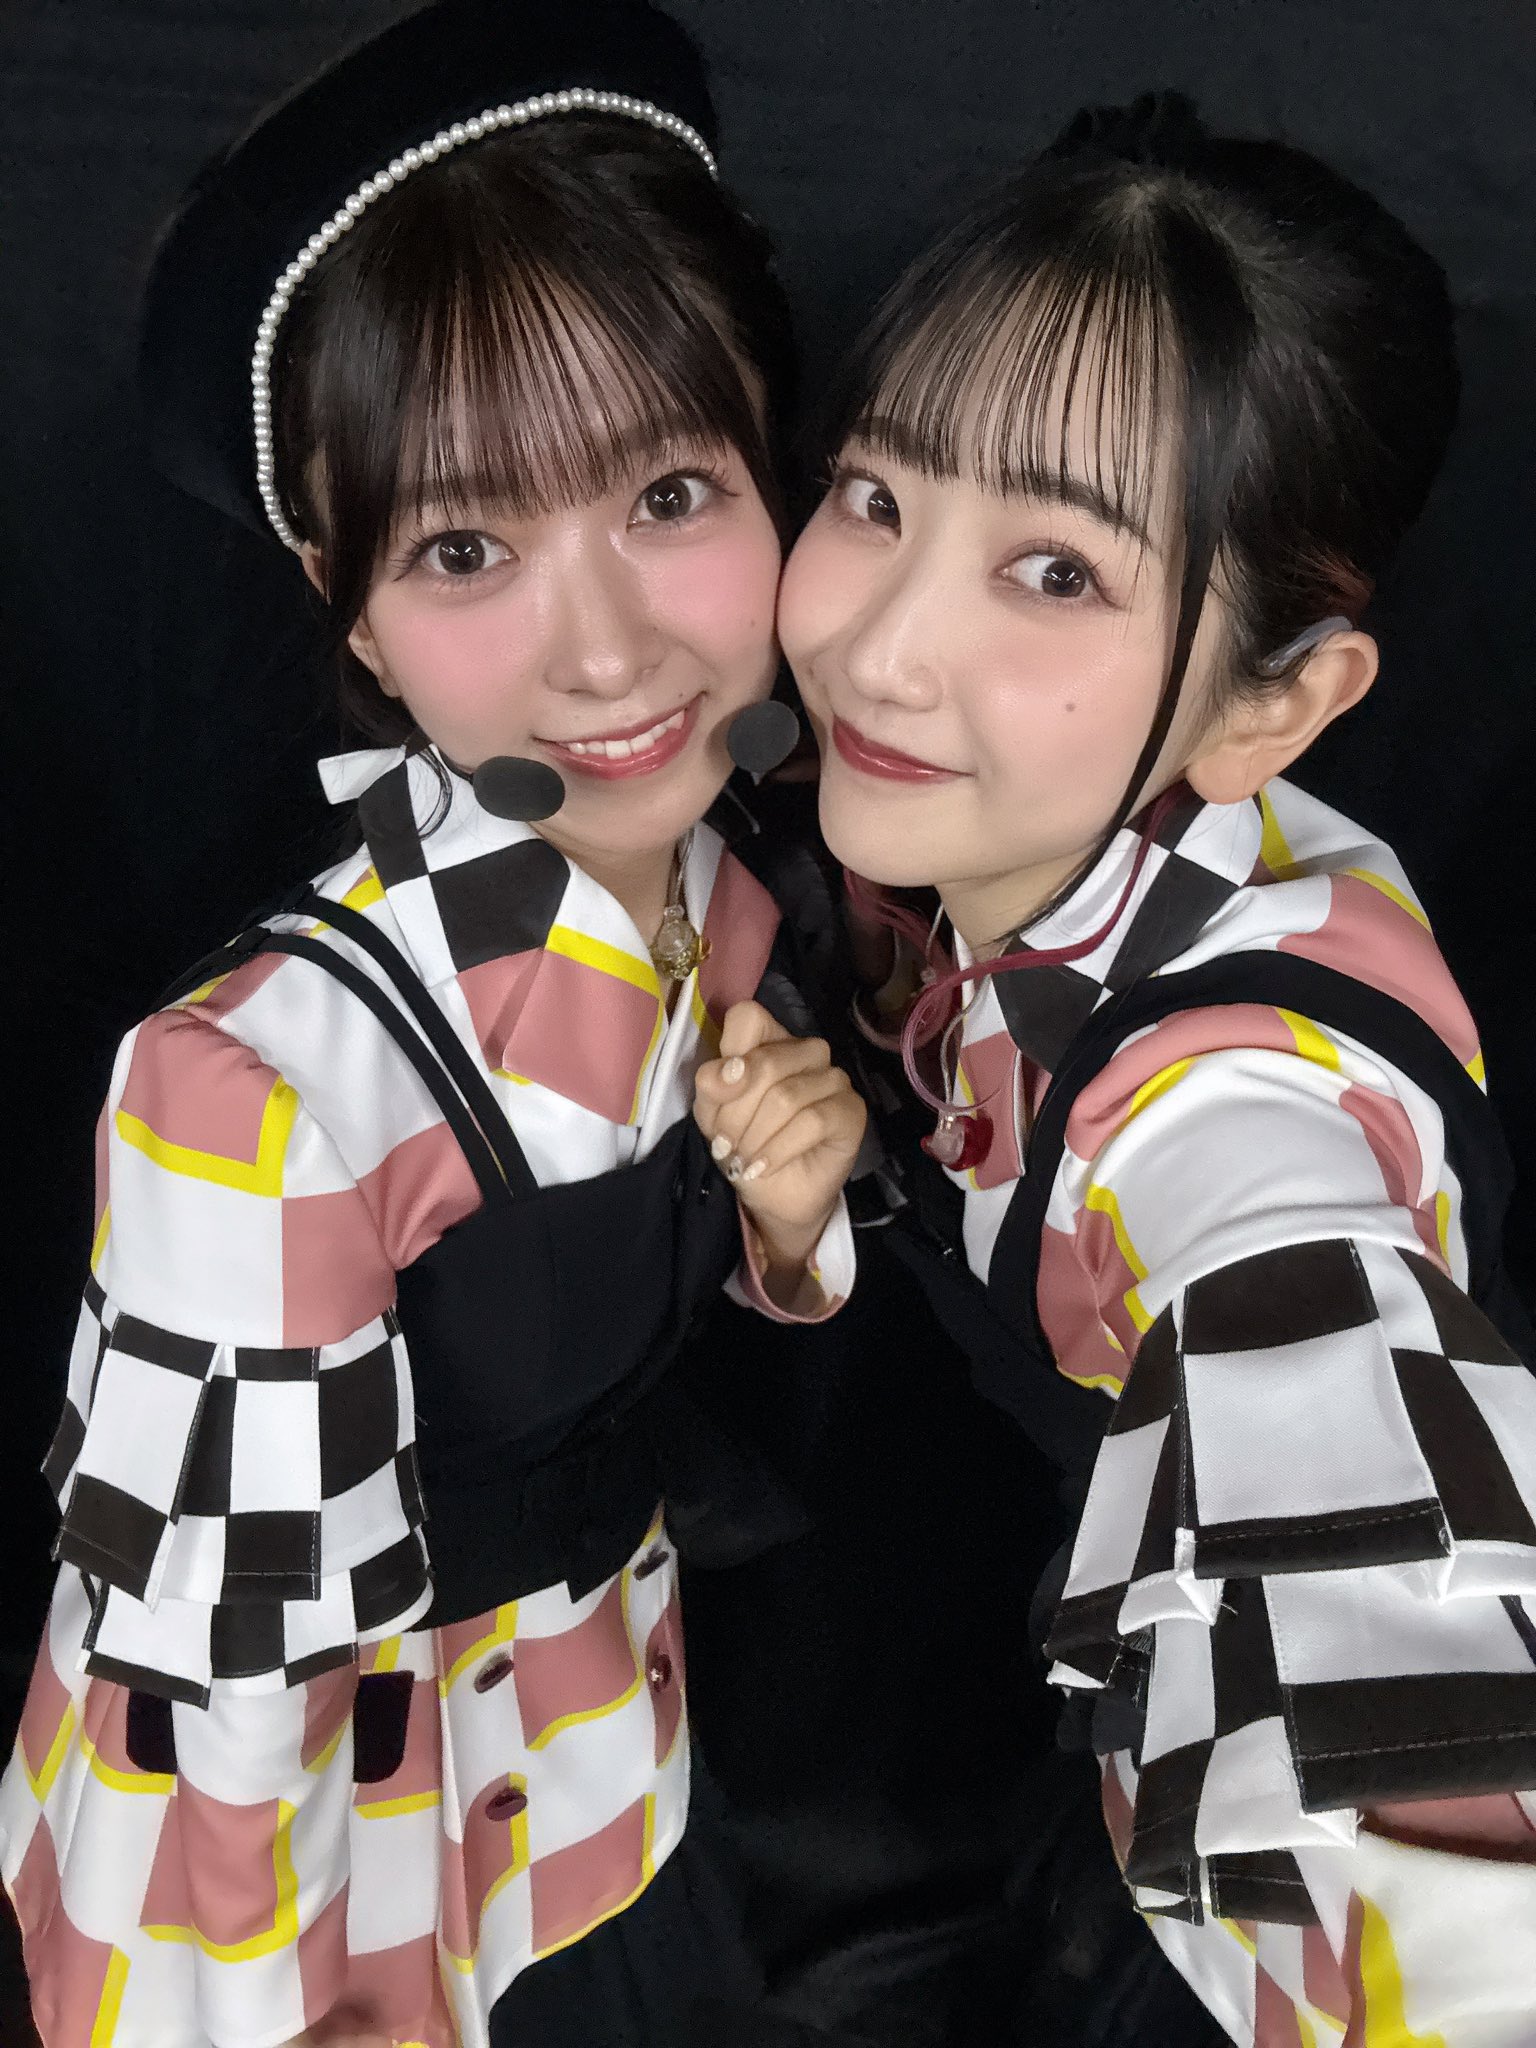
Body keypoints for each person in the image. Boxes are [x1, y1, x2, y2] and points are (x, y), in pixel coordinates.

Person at [0, 5, 866, 2044]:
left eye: (671, 492)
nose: (610, 650)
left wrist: (796, 1220)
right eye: (469, 548)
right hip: (368, 1892)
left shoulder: (735, 887)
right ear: (354, 605)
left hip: (618, 1764)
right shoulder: (262, 1090)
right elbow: (203, 1698)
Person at [778, 90, 1536, 2045]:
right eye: (874, 495)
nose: (878, 649)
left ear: (1278, 703)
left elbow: (1316, 1376)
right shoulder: (963, 823)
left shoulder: (1230, 1109)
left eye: (1056, 572)